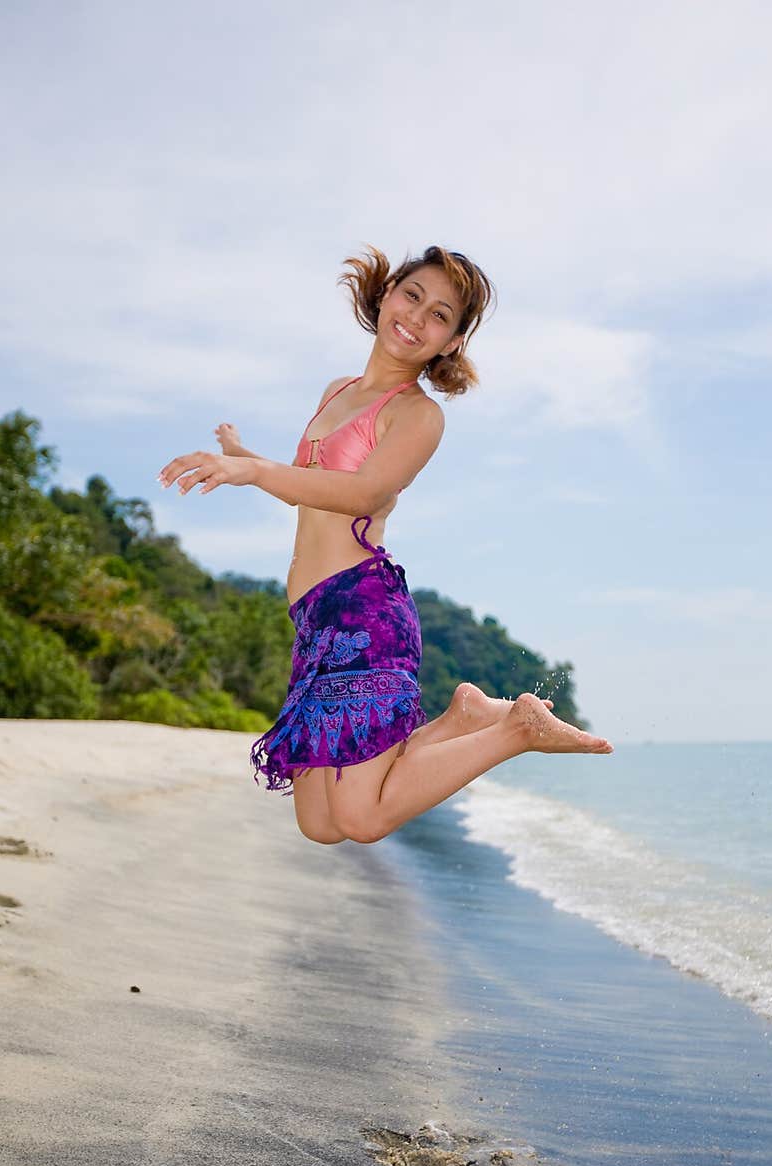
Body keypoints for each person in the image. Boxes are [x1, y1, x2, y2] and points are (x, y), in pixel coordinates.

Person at [157, 243, 613, 845]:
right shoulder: (335, 390)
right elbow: (309, 489)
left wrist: (251, 471)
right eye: (413, 296)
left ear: (450, 342)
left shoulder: (418, 416)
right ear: (387, 292)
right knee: (320, 824)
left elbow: (363, 492)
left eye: (440, 316)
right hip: (314, 622)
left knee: (361, 818)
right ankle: (465, 716)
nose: (417, 318)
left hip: (363, 613)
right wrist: (243, 458)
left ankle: (515, 730)